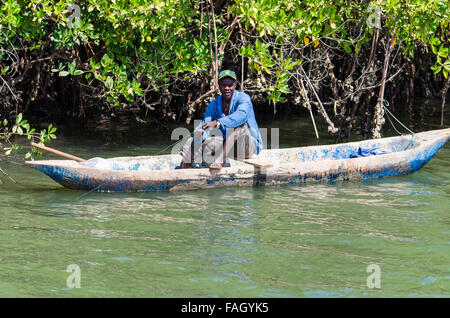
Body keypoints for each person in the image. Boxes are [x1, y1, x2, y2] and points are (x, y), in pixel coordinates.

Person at [180, 70, 263, 169]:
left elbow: (241, 116)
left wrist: (217, 122)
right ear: (219, 85)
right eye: (224, 85)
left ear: (235, 84)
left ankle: (219, 160)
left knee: (240, 126)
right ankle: (184, 171)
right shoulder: (213, 105)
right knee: (192, 141)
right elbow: (205, 125)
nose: (227, 88)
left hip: (247, 148)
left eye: (230, 85)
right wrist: (199, 134)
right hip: (227, 145)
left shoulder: (244, 99)